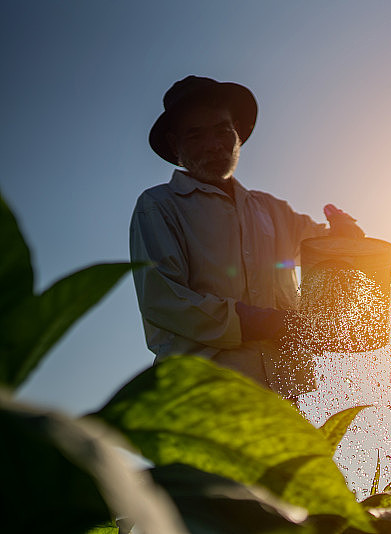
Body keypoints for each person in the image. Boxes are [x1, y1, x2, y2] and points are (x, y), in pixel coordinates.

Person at [130, 75, 363, 400]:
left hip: (285, 393)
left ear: (237, 131)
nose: (213, 144)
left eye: (222, 130)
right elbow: (164, 300)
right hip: (205, 396)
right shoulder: (159, 207)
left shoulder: (272, 210)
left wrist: (344, 232)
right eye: (195, 134)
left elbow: (324, 248)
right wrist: (262, 322)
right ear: (175, 144)